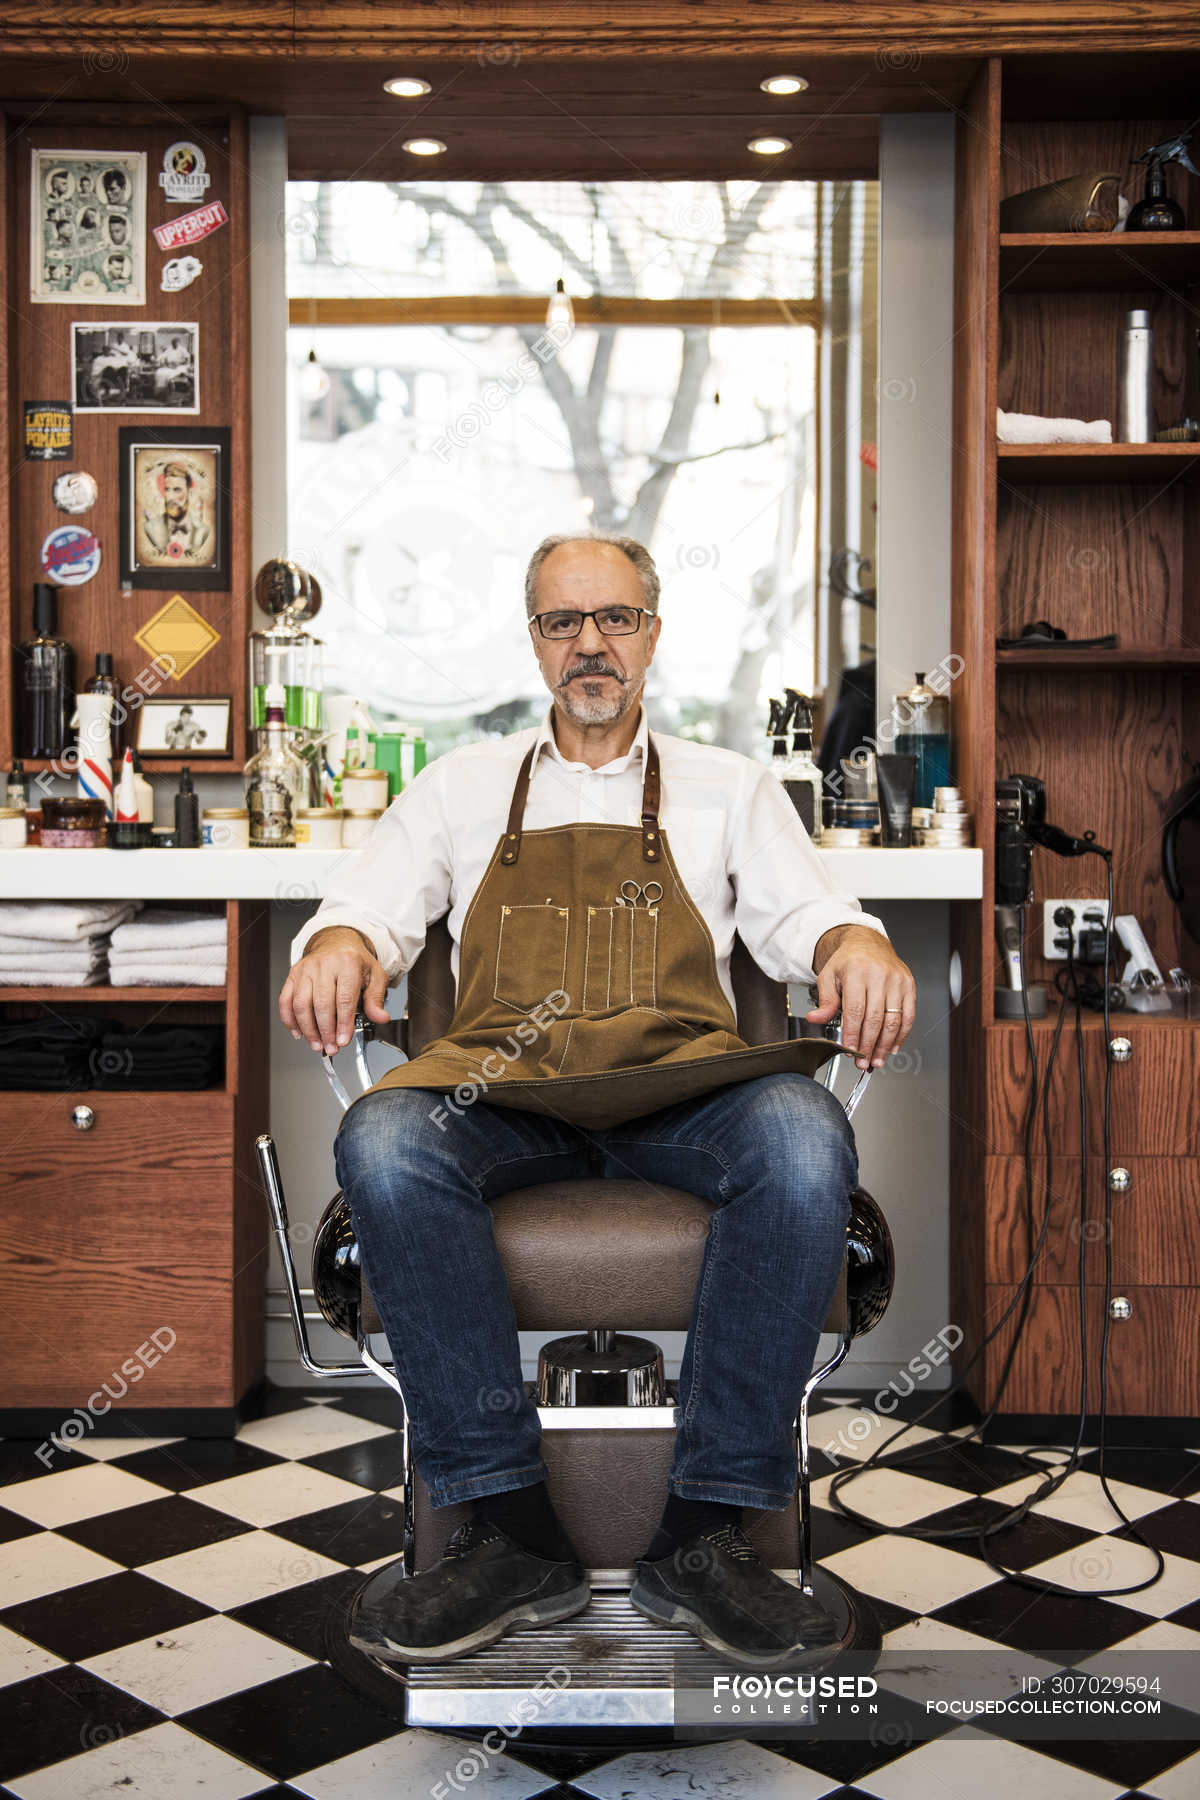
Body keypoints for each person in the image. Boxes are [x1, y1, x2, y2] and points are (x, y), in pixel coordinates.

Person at [279, 532, 916, 1669]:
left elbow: (812, 914)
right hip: (505, 1096)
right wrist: (335, 945)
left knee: (804, 1135)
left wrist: (857, 945)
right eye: (563, 622)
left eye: (614, 619)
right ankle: (507, 1529)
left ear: (653, 635)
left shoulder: (731, 788)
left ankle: (710, 1534)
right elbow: (364, 907)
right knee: (382, 1135)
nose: (591, 645)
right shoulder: (460, 787)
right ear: (533, 641)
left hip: (683, 1094)